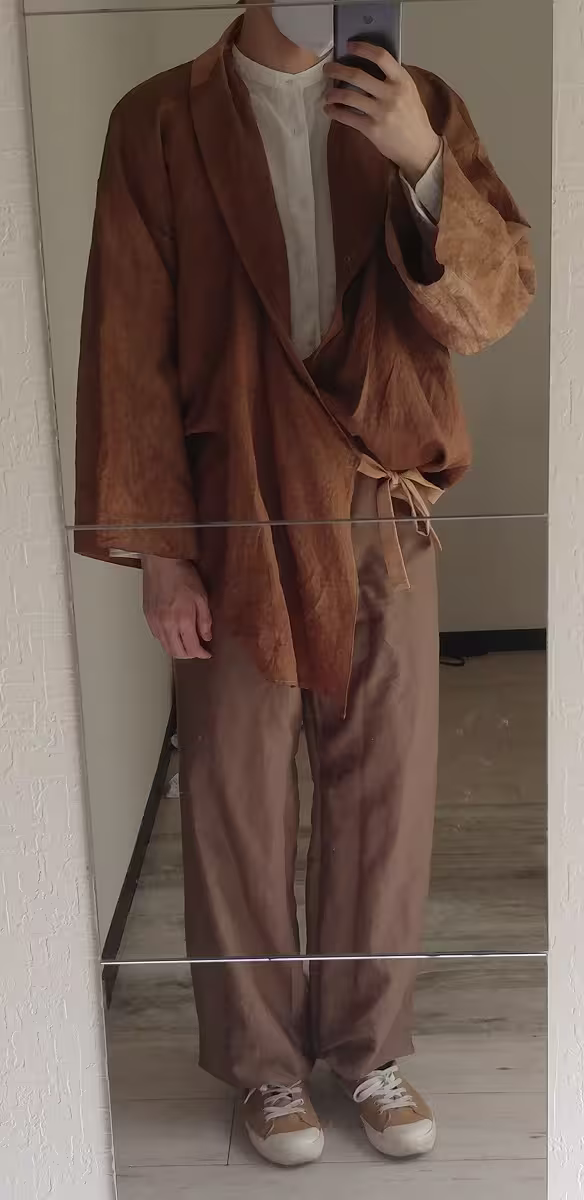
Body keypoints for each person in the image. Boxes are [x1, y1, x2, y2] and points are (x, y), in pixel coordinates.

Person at [75, 1, 535, 1168]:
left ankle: (366, 1049)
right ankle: (264, 1067)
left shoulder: (417, 103)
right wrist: (162, 550)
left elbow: (489, 309)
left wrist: (419, 160)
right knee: (232, 790)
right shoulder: (157, 124)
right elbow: (128, 346)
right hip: (232, 507)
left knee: (384, 788)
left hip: (382, 503)